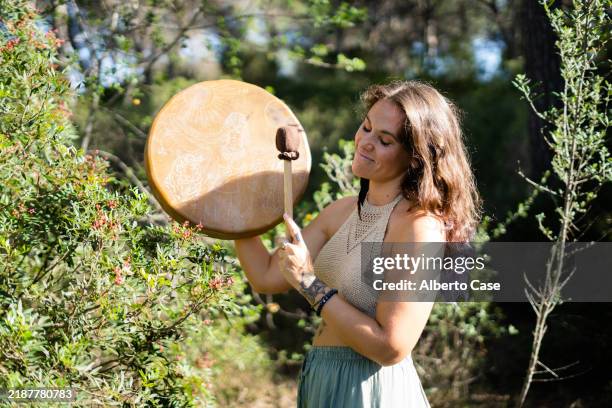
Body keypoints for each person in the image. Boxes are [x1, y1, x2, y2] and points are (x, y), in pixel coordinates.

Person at [234, 80, 481, 407]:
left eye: (384, 140)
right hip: (321, 378)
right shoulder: (341, 211)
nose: (365, 142)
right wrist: (232, 210)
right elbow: (267, 275)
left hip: (370, 389)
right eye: (366, 127)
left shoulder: (418, 227)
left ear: (415, 158)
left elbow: (391, 346)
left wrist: (309, 283)